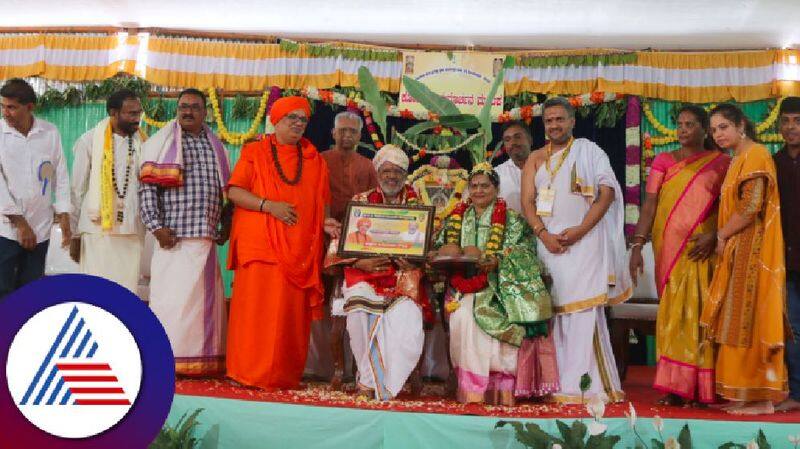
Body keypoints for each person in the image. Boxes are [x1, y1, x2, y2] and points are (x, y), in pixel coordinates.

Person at [520, 96, 631, 403]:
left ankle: (583, 387)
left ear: (572, 122)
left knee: (582, 311)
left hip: (584, 243)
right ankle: (555, 385)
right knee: (553, 313)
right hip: (549, 245)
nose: (554, 125)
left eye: (560, 119)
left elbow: (607, 192)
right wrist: (543, 235)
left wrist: (581, 230)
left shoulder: (589, 150)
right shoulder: (535, 158)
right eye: (549, 120)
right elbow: (528, 202)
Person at [226, 96, 340, 389]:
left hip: (300, 251)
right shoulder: (254, 152)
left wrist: (327, 225)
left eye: (303, 119)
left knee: (289, 318)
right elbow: (235, 192)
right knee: (256, 314)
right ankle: (246, 373)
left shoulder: (314, 159)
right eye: (292, 118)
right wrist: (268, 205)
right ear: (275, 120)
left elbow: (321, 204)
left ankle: (283, 375)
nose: (298, 124)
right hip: (261, 248)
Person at [629, 105, 730, 406]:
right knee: (674, 315)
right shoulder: (663, 161)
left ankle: (703, 387)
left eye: (690, 124)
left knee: (700, 313)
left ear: (705, 130)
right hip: (669, 249)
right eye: (680, 124)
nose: (683, 130)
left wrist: (714, 236)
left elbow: (728, 208)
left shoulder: (721, 163)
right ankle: (675, 387)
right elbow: (650, 205)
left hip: (703, 249)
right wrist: (637, 245)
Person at [432, 163, 555, 405]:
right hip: (461, 286)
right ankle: (472, 390)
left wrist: (498, 260)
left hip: (500, 286)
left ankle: (499, 389)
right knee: (463, 317)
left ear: (496, 189)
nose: (478, 191)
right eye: (474, 186)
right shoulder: (457, 217)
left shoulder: (511, 219)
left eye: (485, 186)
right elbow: (440, 245)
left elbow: (525, 249)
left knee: (482, 317)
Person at [701, 103, 788, 415]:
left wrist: (722, 235)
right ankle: (745, 393)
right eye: (713, 130)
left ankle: (761, 398)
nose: (718, 134)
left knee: (749, 321)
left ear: (740, 125)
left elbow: (751, 205)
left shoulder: (756, 155)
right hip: (741, 249)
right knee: (736, 321)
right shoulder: (739, 157)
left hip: (753, 250)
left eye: (723, 127)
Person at [139, 88, 231, 376]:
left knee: (200, 307)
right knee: (171, 303)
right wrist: (155, 227)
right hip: (172, 239)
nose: (187, 111)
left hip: (204, 238)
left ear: (206, 112)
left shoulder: (217, 146)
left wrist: (226, 223)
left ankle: (200, 362)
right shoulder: (160, 143)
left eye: (194, 107)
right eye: (182, 107)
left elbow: (227, 191)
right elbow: (146, 189)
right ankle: (166, 360)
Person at [326, 145, 428, 400]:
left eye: (397, 172)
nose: (391, 176)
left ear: (405, 175)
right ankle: (370, 381)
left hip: (402, 278)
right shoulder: (360, 202)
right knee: (359, 309)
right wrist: (360, 262)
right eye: (386, 171)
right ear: (378, 173)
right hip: (364, 275)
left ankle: (379, 381)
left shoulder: (418, 206)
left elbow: (429, 248)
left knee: (408, 321)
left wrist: (414, 262)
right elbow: (339, 246)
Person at [0, 78, 71, 299]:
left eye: (11, 107)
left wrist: (64, 213)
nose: (5, 112)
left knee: (30, 291)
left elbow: (60, 174)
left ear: (30, 107)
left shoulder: (49, 133)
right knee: (3, 288)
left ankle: (21, 332)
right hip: (6, 230)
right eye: (2, 106)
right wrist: (20, 223)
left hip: (40, 228)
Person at [70, 89, 145, 293]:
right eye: (131, 113)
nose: (136, 119)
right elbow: (77, 190)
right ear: (114, 112)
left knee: (126, 293)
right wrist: (74, 235)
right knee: (94, 291)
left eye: (138, 113)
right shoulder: (89, 141)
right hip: (97, 231)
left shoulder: (142, 143)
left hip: (130, 231)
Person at [775, 97, 800, 412]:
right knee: (794, 328)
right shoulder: (773, 162)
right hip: (788, 262)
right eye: (786, 121)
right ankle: (796, 393)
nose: (791, 127)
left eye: (797, 120)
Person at [494, 121, 532, 213]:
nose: (513, 142)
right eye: (507, 139)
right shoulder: (496, 174)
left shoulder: (546, 167)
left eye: (517, 137)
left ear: (530, 140)